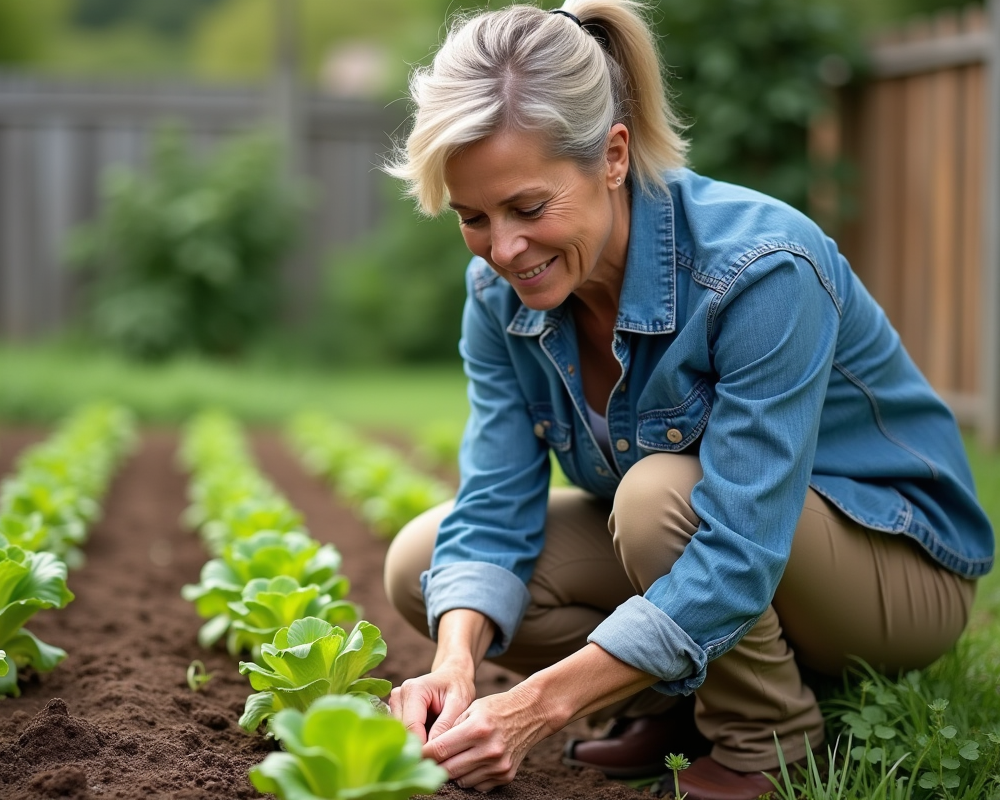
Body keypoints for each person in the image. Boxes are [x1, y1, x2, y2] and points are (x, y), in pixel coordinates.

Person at [379, 3, 995, 799]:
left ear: (611, 155)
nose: (503, 250)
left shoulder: (760, 269)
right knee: (425, 567)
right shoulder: (499, 295)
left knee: (660, 498)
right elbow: (496, 499)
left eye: (529, 209)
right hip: (724, 543)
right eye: (473, 218)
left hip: (891, 570)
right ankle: (689, 700)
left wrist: (533, 707)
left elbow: (739, 546)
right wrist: (455, 666)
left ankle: (769, 740)